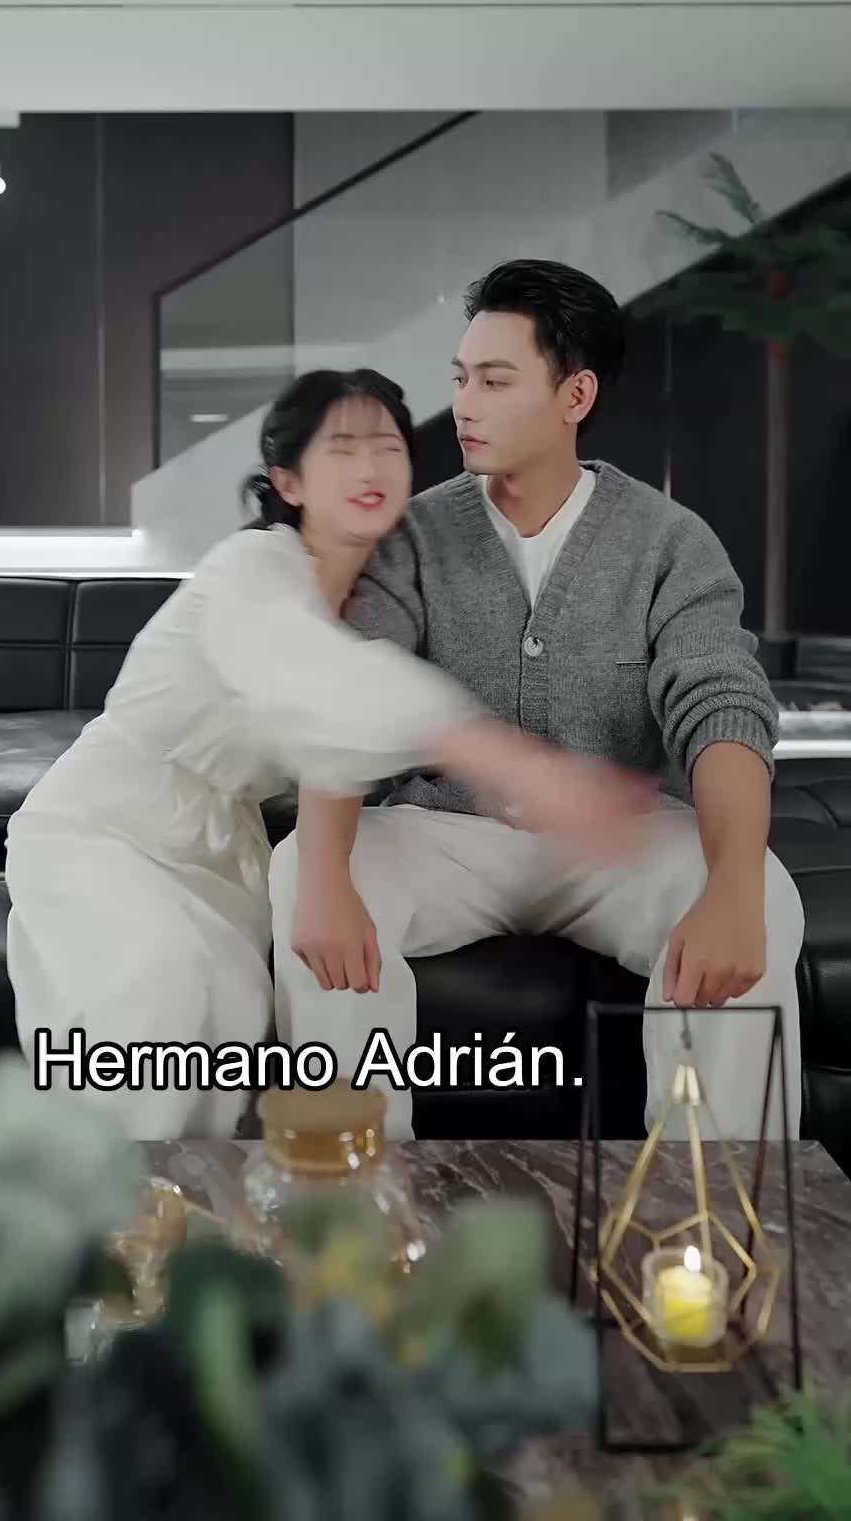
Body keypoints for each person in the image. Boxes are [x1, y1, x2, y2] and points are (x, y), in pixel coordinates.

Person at [4, 365, 653, 1139]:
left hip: (222, 853)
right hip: (104, 830)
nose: (370, 467)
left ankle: (189, 1210)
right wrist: (510, 761)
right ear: (289, 480)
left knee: (228, 1017)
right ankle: (100, 1209)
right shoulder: (250, 570)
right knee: (157, 995)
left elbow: (354, 726)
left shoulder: (381, 602)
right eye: (342, 448)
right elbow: (326, 681)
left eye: (388, 447)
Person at [270, 263, 806, 1144]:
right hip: (445, 836)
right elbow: (349, 698)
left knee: (763, 896)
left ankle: (710, 1204)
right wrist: (325, 882)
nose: (464, 405)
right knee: (304, 868)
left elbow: (721, 709)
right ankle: (353, 1190)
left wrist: (736, 889)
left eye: (494, 381)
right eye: (460, 379)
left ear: (575, 395)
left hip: (619, 844)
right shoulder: (412, 535)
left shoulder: (670, 542)